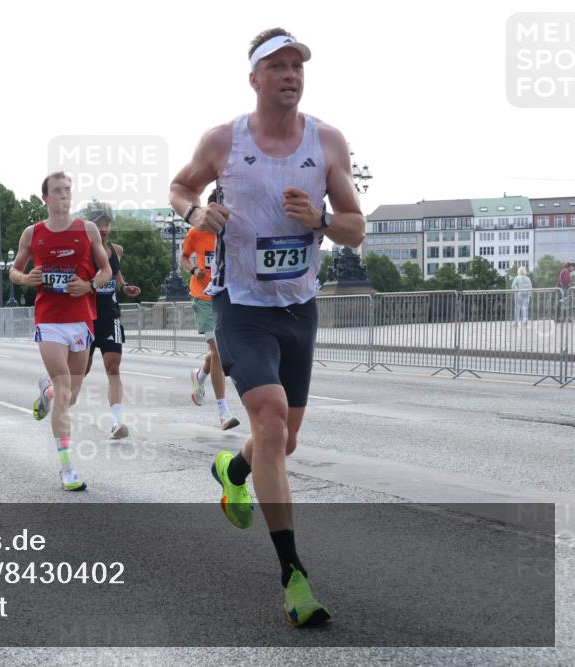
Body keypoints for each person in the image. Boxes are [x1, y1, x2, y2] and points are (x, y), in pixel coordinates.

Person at [169, 27, 366, 627]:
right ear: (254, 77)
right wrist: (197, 210)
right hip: (242, 306)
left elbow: (356, 227)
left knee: (284, 439)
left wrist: (324, 219)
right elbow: (180, 187)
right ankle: (294, 576)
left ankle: (234, 469)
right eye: (277, 66)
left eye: (297, 66)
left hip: (299, 307)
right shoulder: (223, 141)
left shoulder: (326, 142)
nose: (290, 74)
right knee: (273, 420)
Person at [10, 171, 112, 492]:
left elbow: (106, 269)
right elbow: (14, 270)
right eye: (57, 191)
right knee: (65, 389)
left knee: (71, 395)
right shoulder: (33, 233)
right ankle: (67, 467)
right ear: (46, 197)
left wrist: (89, 285)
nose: (64, 195)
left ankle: (47, 391)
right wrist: (26, 279)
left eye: (68, 190)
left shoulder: (88, 229)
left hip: (81, 319)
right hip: (49, 319)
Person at [181, 195, 241, 431]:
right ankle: (223, 411)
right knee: (217, 349)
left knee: (218, 351)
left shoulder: (234, 231)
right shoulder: (197, 232)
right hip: (203, 296)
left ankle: (200, 375)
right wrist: (194, 268)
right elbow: (184, 258)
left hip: (228, 296)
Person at [82, 210, 141, 439]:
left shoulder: (116, 250)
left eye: (107, 224)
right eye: (99, 225)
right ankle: (53, 393)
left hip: (109, 315)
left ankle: (117, 421)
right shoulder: (83, 251)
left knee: (113, 366)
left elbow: (115, 274)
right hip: (86, 315)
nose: (104, 228)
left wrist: (125, 286)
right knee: (81, 371)